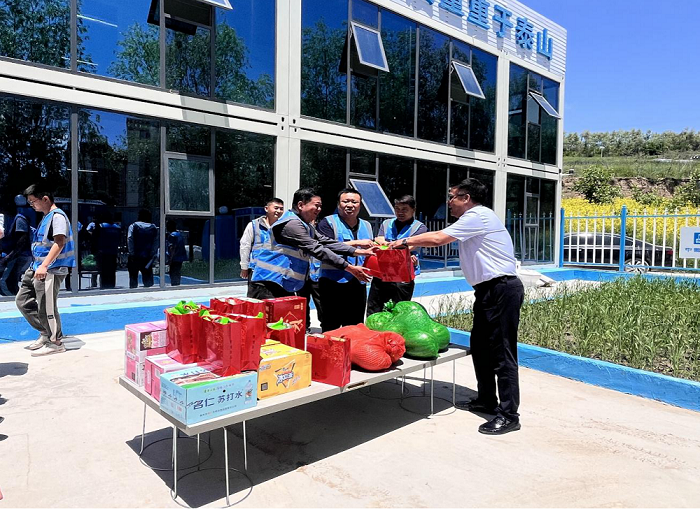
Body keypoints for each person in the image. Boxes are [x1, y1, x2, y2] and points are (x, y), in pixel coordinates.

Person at [388, 179, 524, 435]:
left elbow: (439, 238)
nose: (448, 202)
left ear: (466, 198)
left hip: (502, 289)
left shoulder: (478, 216)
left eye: (452, 197)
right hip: (487, 291)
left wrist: (404, 242)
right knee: (481, 348)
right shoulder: (472, 221)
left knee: (502, 352)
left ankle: (509, 415)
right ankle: (486, 399)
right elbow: (435, 239)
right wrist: (403, 245)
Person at [250, 187, 375, 301]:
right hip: (268, 283)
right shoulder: (292, 224)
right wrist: (349, 267)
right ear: (301, 205)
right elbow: (317, 249)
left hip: (282, 283)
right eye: (316, 205)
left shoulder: (305, 225)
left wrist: (358, 251)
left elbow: (325, 241)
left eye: (320, 206)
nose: (319, 210)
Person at [16, 182, 76, 356]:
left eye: (33, 201)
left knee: (46, 306)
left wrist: (44, 265)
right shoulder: (47, 217)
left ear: (45, 199)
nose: (31, 205)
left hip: (50, 269)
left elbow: (59, 242)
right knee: (23, 300)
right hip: (37, 267)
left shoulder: (57, 217)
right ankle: (46, 333)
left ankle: (55, 342)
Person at [316, 188, 375, 331]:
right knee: (331, 325)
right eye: (345, 201)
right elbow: (325, 247)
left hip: (358, 282)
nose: (350, 205)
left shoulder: (367, 225)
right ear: (338, 204)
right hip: (332, 282)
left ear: (360, 205)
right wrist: (357, 243)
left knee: (355, 325)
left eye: (354, 202)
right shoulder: (328, 222)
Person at [367, 195, 427, 316]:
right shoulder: (386, 223)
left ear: (413, 210)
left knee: (398, 311)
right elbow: (378, 239)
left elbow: (410, 247)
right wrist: (395, 246)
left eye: (404, 209)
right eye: (397, 209)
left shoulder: (420, 228)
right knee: (374, 309)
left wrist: (386, 245)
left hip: (403, 276)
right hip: (382, 273)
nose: (400, 212)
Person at [239, 198, 284, 296]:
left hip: (276, 272)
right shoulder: (254, 225)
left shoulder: (284, 227)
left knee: (276, 301)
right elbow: (245, 246)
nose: (279, 211)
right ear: (266, 208)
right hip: (257, 271)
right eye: (276, 208)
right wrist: (244, 266)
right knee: (256, 300)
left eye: (281, 209)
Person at [0, 196, 33, 296]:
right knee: (9, 281)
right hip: (13, 255)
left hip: (20, 256)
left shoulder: (19, 219)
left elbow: (22, 242)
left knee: (6, 281)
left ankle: (14, 299)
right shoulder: (8, 219)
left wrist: (8, 257)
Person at [127, 209, 158, 289]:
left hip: (135, 257)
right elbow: (156, 242)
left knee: (133, 278)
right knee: (148, 281)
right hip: (147, 258)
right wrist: (152, 254)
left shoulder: (133, 226)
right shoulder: (153, 227)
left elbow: (130, 240)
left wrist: (131, 253)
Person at [92, 212, 121, 289]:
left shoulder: (101, 226)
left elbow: (94, 239)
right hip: (113, 252)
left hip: (102, 252)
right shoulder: (117, 227)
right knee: (112, 271)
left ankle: (104, 285)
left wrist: (93, 251)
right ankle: (111, 285)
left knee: (103, 271)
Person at [166, 220, 188, 286]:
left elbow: (172, 248)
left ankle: (174, 285)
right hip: (180, 257)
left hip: (175, 258)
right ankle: (177, 284)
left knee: (173, 273)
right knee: (177, 272)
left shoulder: (172, 235)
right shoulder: (179, 234)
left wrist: (170, 259)